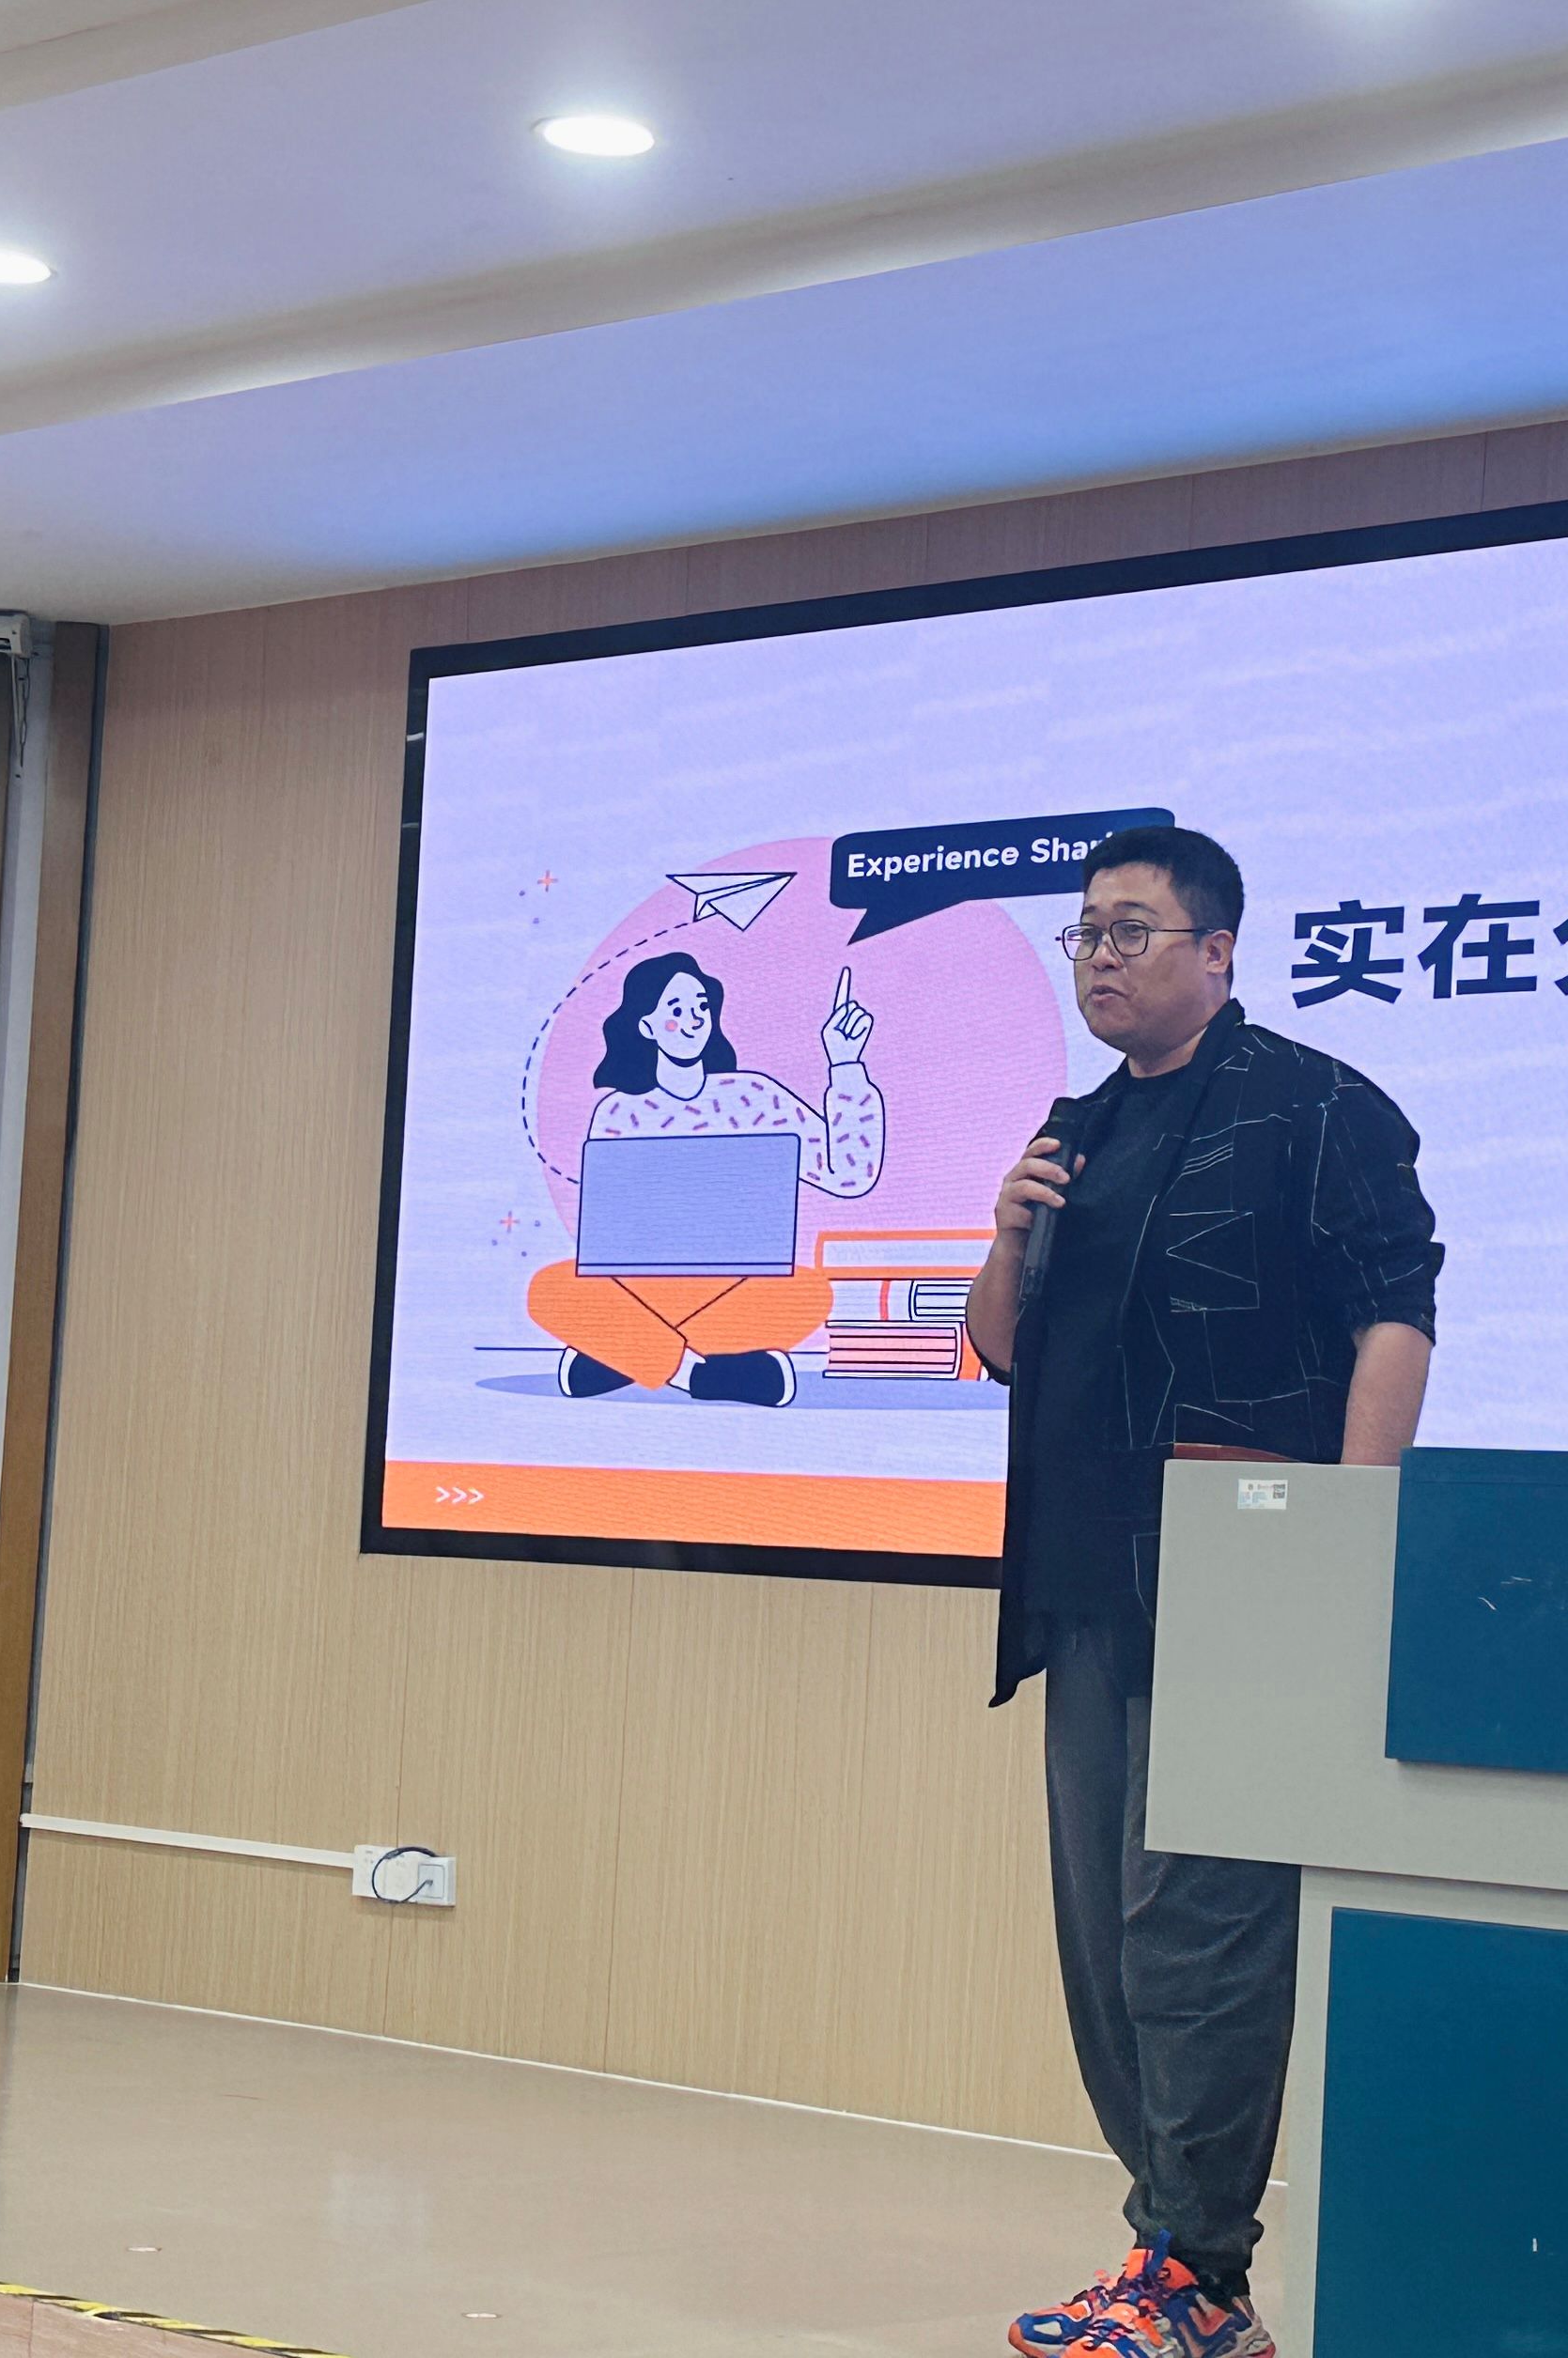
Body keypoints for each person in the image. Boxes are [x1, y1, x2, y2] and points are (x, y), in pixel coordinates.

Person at [963, 826, 1439, 2358]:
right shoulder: (1078, 1130)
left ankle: (1199, 2270)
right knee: (1108, 1944)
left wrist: (1342, 1535)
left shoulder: (1315, 1106)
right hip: (1087, 1584)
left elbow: (1393, 1313)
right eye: (1085, 932)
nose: (1100, 956)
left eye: (1132, 929)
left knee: (1200, 1931)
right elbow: (1004, 1346)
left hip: (1241, 1579)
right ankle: (1165, 2250)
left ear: (1218, 951)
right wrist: (1006, 1232)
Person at [523, 950, 879, 1408]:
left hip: (736, 1287)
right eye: (676, 1009)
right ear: (646, 1026)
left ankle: (625, 1355)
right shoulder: (618, 1113)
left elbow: (847, 1174)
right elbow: (605, 1239)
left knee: (808, 1293)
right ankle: (702, 1375)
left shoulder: (754, 1095)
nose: (694, 1020)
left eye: (702, 1006)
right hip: (642, 1287)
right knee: (550, 1289)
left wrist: (845, 1065)